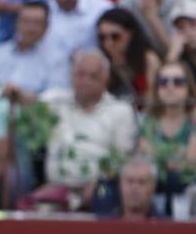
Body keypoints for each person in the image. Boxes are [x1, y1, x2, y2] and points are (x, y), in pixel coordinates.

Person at [33, 49, 137, 207]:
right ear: (71, 76)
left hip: (101, 188)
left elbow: (121, 158)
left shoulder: (120, 111)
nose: (85, 81)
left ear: (105, 79)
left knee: (105, 195)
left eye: (93, 76)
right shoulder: (55, 101)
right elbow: (28, 104)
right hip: (56, 188)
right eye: (80, 74)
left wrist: (97, 183)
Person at [136, 59, 196, 194]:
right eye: (163, 82)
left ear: (189, 88)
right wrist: (173, 159)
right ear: (157, 89)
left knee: (174, 179)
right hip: (155, 186)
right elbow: (145, 158)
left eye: (178, 82)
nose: (170, 87)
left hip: (193, 186)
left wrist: (160, 158)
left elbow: (192, 163)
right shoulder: (149, 120)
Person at [0, 0, 66, 103]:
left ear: (46, 27)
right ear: (16, 23)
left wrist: (27, 97)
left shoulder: (57, 59)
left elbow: (57, 96)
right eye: (25, 21)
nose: (31, 28)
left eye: (37, 23)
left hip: (34, 113)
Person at [96, 7, 159, 103]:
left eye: (115, 36)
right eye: (102, 37)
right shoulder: (102, 62)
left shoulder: (149, 60)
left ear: (130, 33)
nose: (108, 43)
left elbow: (153, 101)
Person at [169, 0, 196, 98]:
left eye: (193, 25)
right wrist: (172, 55)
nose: (187, 31)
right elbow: (163, 96)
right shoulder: (178, 59)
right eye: (180, 27)